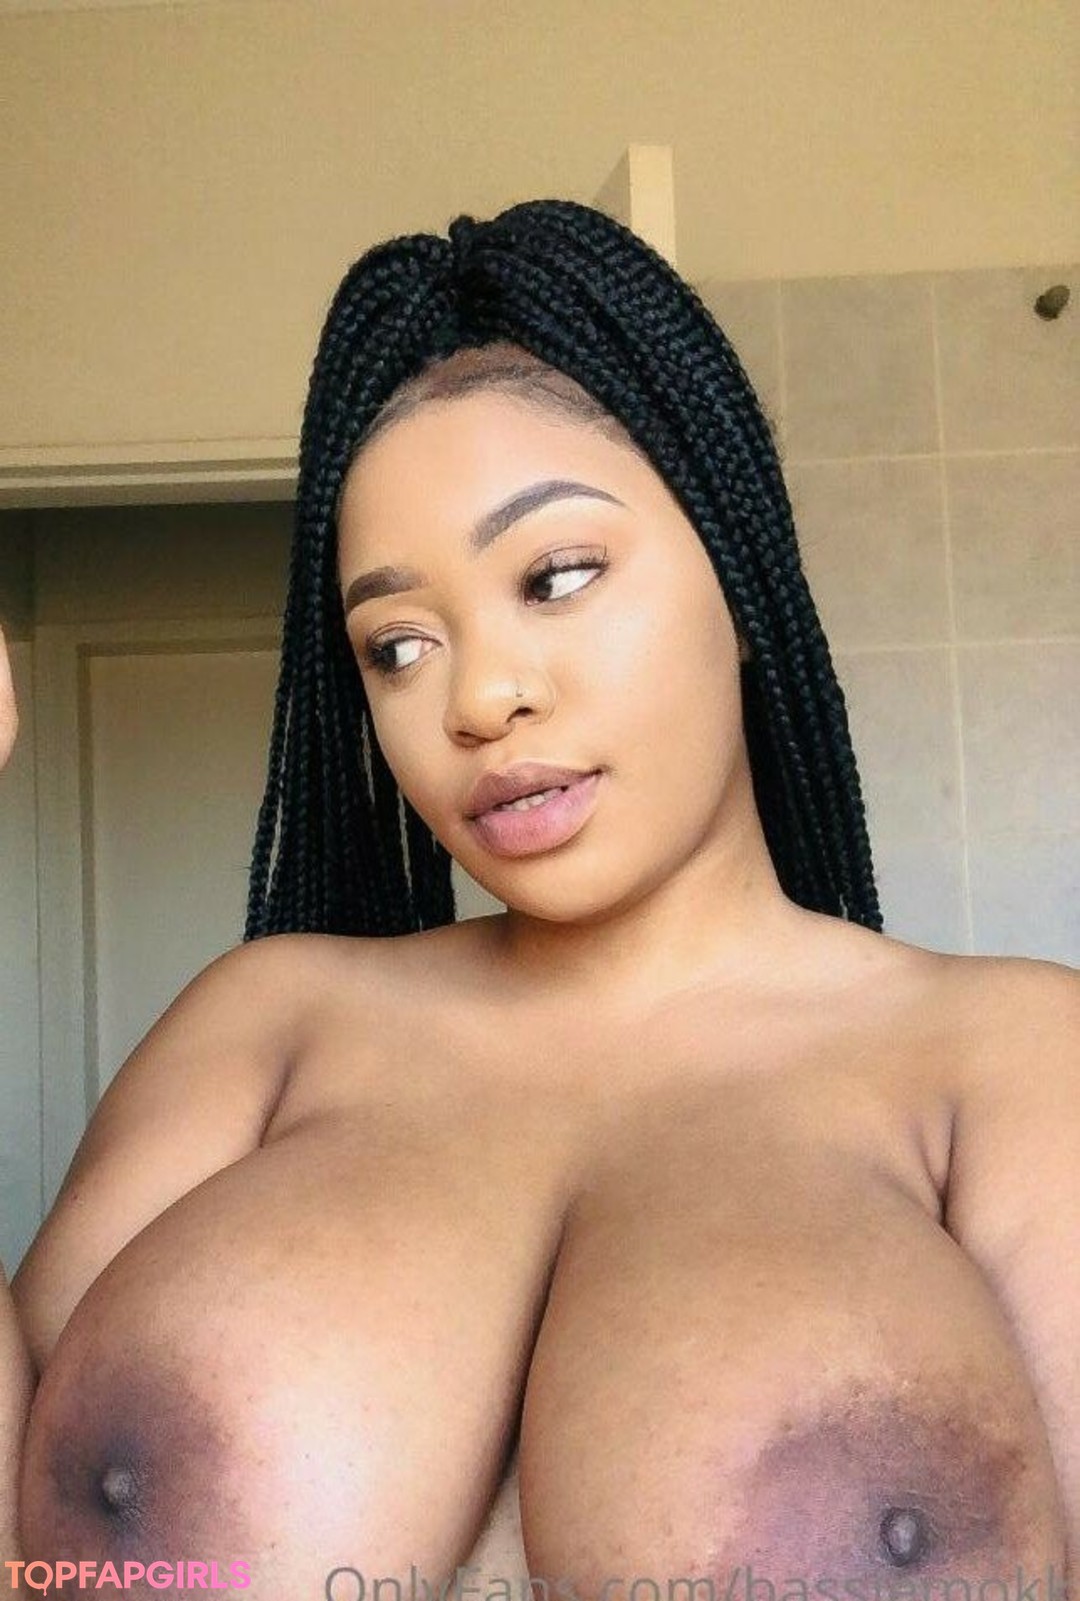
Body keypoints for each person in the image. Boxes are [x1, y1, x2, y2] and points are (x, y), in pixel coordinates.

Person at [1, 198, 1077, 1600]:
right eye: (397, 645)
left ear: (739, 569)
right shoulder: (264, 1027)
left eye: (556, 576)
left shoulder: (1009, 1062)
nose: (480, 698)